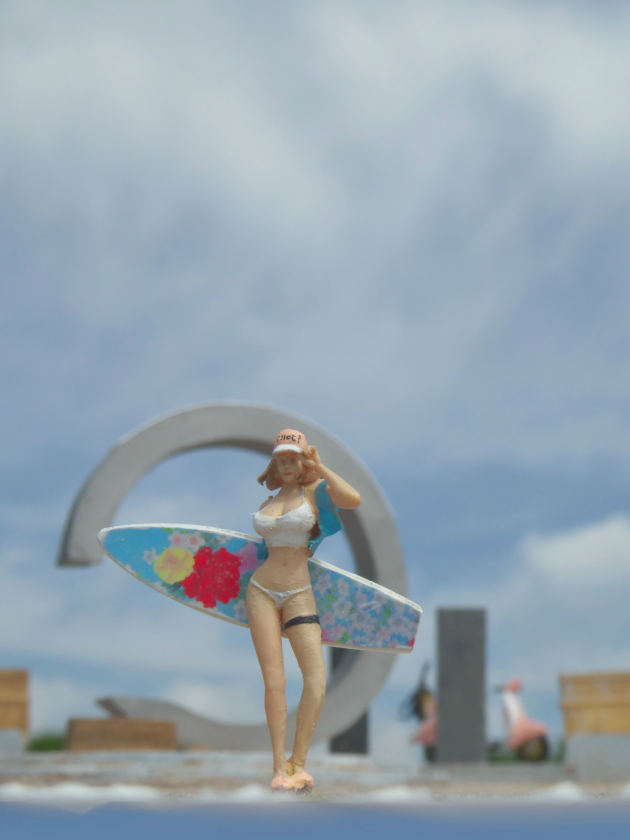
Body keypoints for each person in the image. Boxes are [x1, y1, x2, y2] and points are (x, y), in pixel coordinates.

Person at [246, 428, 361, 792]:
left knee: (315, 679)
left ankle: (299, 763)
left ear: (304, 460)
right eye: (280, 460)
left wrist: (321, 468)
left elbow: (353, 499)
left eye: (293, 459)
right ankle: (279, 769)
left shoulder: (315, 492)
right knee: (274, 681)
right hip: (260, 591)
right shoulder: (269, 500)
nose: (286, 466)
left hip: (299, 591)